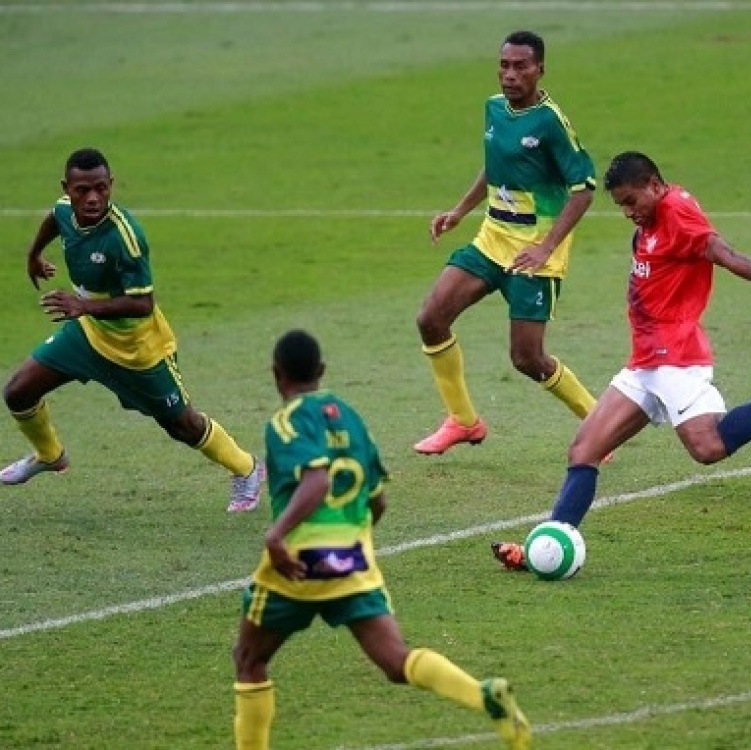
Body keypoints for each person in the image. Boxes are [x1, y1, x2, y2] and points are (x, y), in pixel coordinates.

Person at [492, 151, 751, 570]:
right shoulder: (653, 218)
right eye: (620, 205)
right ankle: (548, 547)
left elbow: (724, 253)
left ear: (655, 185)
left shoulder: (677, 213)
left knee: (707, 447)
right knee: (584, 449)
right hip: (645, 360)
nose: (627, 212)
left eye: (632, 201)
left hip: (675, 355)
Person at [232, 329, 530, 750]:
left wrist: (276, 535)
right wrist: (349, 539)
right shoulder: (351, 419)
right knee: (396, 661)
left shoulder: (284, 422)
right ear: (321, 370)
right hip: (352, 560)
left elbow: (316, 481)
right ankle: (482, 695)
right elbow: (379, 502)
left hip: (296, 561)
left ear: (276, 374)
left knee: (249, 661)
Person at [0, 147, 264, 512]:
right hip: (89, 334)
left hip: (138, 350)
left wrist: (83, 306)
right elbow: (54, 218)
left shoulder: (125, 237)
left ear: (111, 184)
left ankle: (247, 468)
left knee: (181, 425)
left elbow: (143, 304)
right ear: (67, 189)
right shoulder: (64, 211)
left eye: (101, 188)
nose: (93, 198)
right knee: (18, 391)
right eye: (82, 190)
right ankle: (50, 455)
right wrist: (33, 255)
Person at [414, 30, 599, 455]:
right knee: (431, 318)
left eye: (520, 66)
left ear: (540, 70)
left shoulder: (551, 122)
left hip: (533, 255)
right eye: (504, 65)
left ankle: (599, 423)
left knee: (527, 359)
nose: (510, 74)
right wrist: (459, 211)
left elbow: (584, 189)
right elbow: (495, 164)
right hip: (492, 239)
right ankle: (464, 422)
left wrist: (546, 247)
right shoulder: (494, 109)